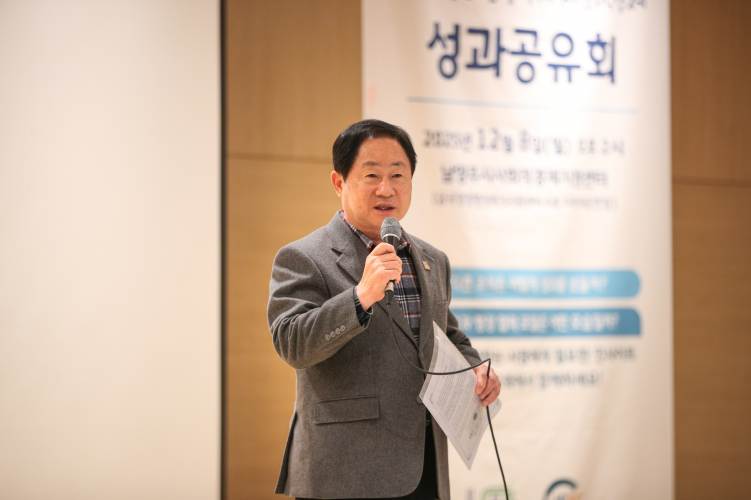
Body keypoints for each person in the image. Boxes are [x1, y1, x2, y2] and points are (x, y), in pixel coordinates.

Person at [268, 119, 501, 499]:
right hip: (345, 469)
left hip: (424, 464)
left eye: (398, 175)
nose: (386, 189)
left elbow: (446, 334)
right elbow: (292, 344)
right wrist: (359, 298)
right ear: (339, 182)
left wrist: (475, 367)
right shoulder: (304, 257)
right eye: (371, 175)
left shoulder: (432, 259)